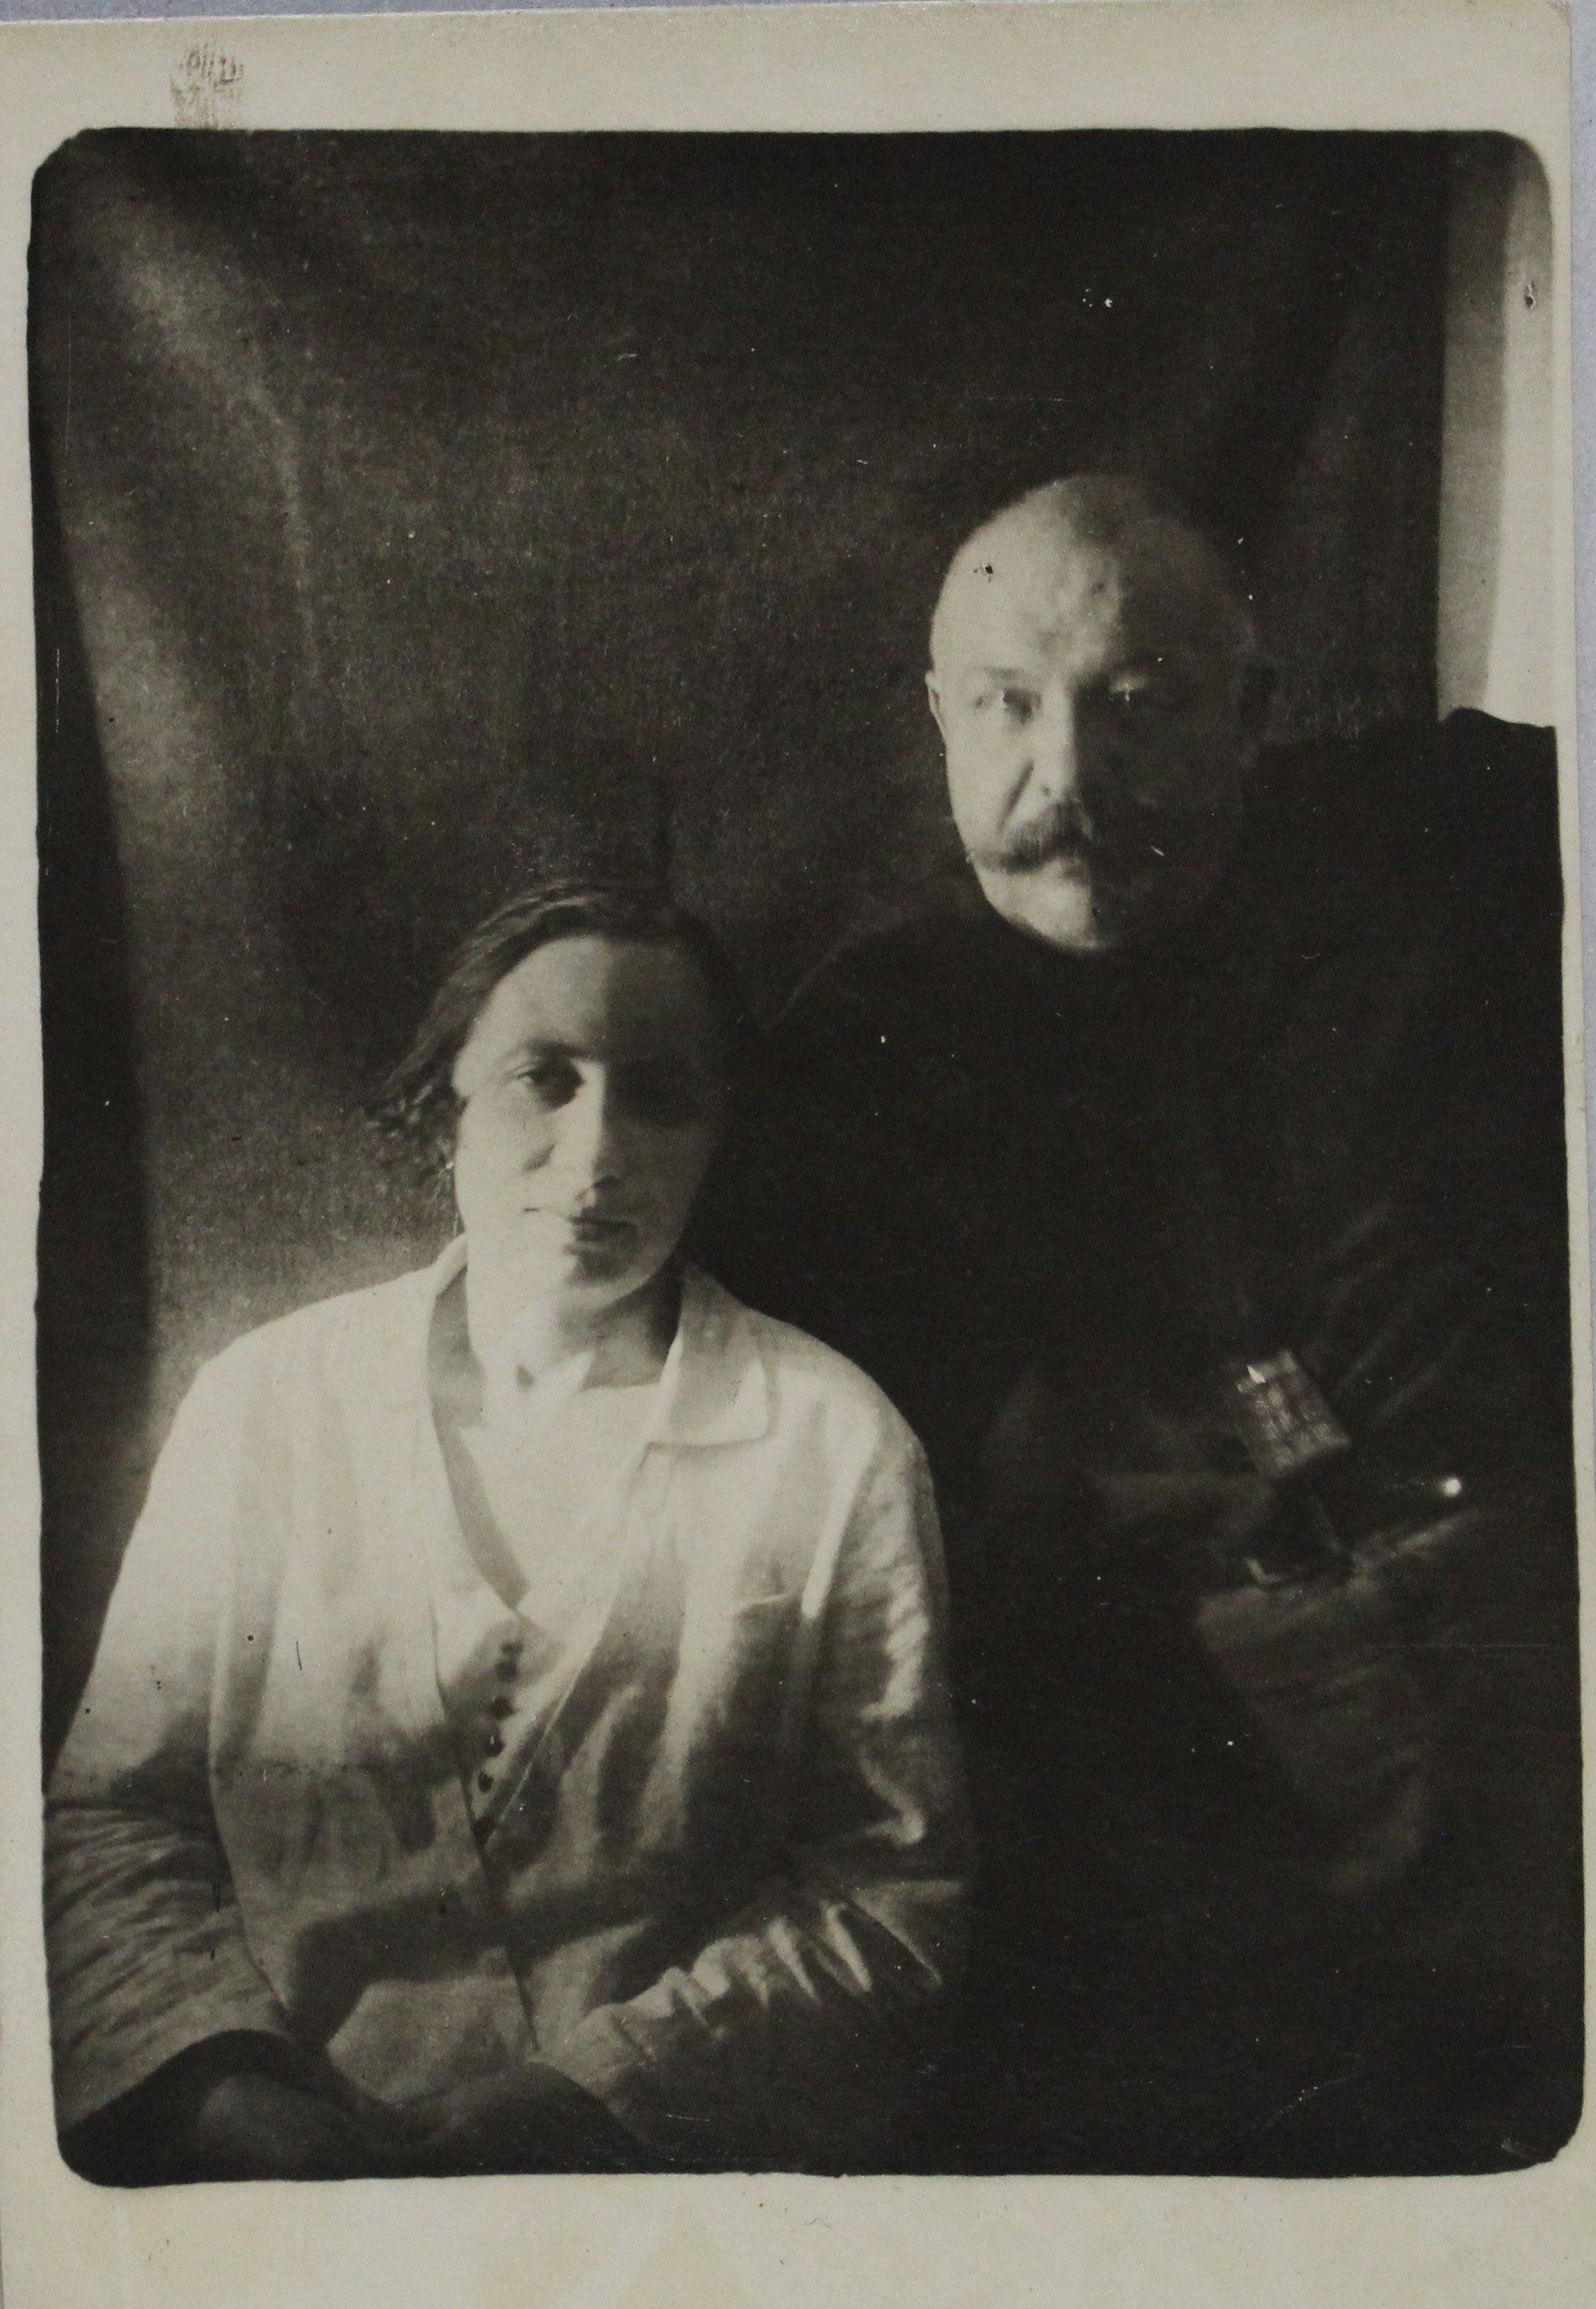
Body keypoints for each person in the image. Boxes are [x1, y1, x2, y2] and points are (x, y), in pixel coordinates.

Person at [708, 475, 1578, 2172]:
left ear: (1252, 713)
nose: (1068, 782)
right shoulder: (863, 1049)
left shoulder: (1452, 842)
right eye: (1006, 707)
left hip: (1528, 1648)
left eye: (1138, 705)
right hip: (1184, 1755)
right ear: (938, 715)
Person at [46, 882, 970, 2184]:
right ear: (448, 1109)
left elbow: (890, 1895)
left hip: (658, 2186)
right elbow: (114, 1819)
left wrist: (581, 2099)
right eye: (545, 1078)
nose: (596, 1154)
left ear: (719, 1132)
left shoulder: (829, 1443)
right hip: (271, 2184)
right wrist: (234, 2098)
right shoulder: (267, 1404)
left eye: (660, 1095)